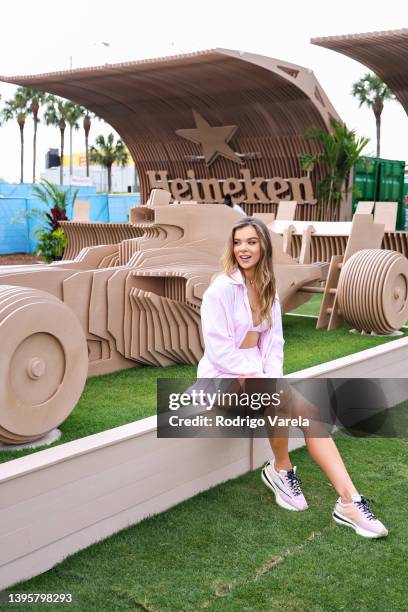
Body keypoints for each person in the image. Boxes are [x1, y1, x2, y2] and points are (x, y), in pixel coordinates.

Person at [197, 216, 388, 539]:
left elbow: (274, 344)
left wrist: (271, 378)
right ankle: (282, 470)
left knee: (309, 413)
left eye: (251, 242)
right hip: (222, 377)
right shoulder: (220, 290)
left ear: (263, 248)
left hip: (256, 376)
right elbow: (218, 351)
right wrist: (264, 381)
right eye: (238, 242)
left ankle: (347, 500)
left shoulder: (268, 290)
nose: (243, 248)